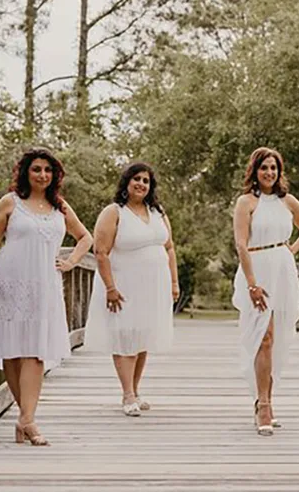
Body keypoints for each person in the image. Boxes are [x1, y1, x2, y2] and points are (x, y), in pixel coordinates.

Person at [0, 147, 93, 446]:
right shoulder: (10, 202)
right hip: (12, 282)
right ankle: (25, 419)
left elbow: (86, 238)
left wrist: (69, 263)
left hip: (45, 284)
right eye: (37, 169)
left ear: (54, 176)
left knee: (36, 352)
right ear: (26, 172)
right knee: (13, 352)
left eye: (48, 170)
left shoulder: (60, 207)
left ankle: (27, 420)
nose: (43, 175)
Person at [232, 147, 299, 436]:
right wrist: (252, 283)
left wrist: (288, 251)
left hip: (282, 269)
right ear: (254, 171)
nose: (269, 173)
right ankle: (263, 405)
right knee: (262, 337)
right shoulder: (246, 202)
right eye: (264, 167)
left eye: (274, 168)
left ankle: (267, 397)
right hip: (256, 269)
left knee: (277, 338)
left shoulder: (288, 201)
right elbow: (241, 244)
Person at [84, 162, 178, 416]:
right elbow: (100, 252)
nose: (141, 184)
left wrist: (173, 281)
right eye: (136, 179)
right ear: (126, 182)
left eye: (146, 181)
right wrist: (110, 288)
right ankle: (126, 394)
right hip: (124, 284)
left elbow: (169, 247)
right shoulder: (114, 212)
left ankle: (135, 390)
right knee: (125, 335)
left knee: (143, 335)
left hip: (154, 285)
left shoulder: (157, 212)